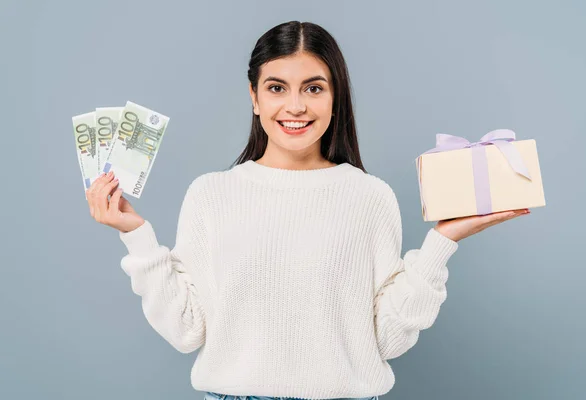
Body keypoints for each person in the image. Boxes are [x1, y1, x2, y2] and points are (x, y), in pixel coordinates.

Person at [85, 20, 529, 400]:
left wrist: (442, 241)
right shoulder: (211, 195)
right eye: (277, 88)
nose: (295, 106)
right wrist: (137, 235)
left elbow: (388, 339)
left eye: (313, 88)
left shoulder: (370, 197)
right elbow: (186, 331)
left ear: (335, 98)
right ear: (254, 97)